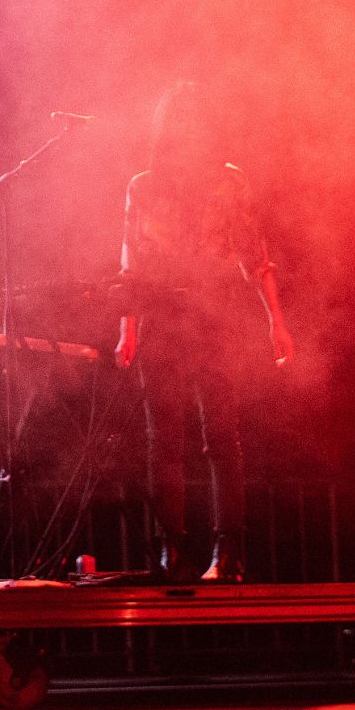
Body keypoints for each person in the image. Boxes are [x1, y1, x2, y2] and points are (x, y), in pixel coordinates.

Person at [114, 82, 294, 583]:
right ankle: (174, 550)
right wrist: (127, 330)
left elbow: (255, 255)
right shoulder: (143, 185)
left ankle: (228, 554)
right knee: (164, 440)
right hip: (161, 317)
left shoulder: (228, 182)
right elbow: (132, 262)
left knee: (221, 436)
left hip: (216, 314)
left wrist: (275, 321)